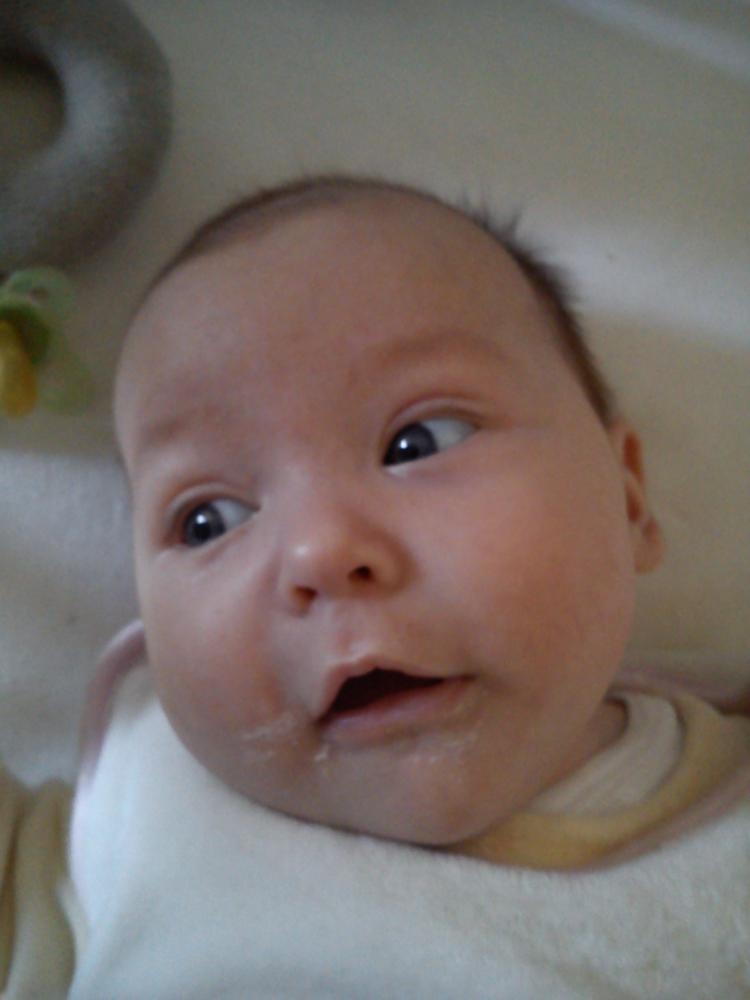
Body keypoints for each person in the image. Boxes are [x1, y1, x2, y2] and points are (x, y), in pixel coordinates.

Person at [3, 175, 749, 998]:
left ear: (628, 497)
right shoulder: (141, 805)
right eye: (209, 520)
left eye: (418, 442)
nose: (319, 551)